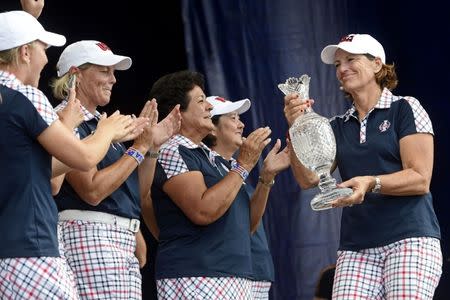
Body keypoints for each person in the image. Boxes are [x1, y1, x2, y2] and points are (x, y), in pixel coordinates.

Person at [284, 33, 442, 299]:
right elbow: (308, 179)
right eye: (337, 64)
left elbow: (420, 178)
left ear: (377, 64)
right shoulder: (334, 126)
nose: (342, 69)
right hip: (356, 249)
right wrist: (296, 126)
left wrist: (370, 182)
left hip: (410, 240)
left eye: (350, 59)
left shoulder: (406, 108)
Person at [0, 11, 133, 299]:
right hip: (31, 246)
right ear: (24, 52)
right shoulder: (25, 97)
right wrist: (108, 132)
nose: (46, 59)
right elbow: (85, 159)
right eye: (42, 49)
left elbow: (45, 174)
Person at [52, 40, 181, 299]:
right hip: (90, 236)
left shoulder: (107, 124)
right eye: (104, 71)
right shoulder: (62, 120)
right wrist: (137, 148)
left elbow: (137, 192)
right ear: (76, 73)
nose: (113, 79)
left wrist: (149, 147)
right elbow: (93, 191)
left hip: (118, 238)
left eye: (113, 72)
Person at [146, 70, 272, 299]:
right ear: (178, 111)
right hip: (196, 276)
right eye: (201, 101)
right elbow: (202, 211)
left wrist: (266, 176)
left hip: (233, 275)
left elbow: (247, 225)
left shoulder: (209, 158)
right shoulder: (173, 150)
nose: (209, 107)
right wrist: (243, 166)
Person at [203, 95, 290, 299]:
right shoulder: (205, 166)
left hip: (253, 272)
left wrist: (266, 177)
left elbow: (249, 224)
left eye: (238, 118)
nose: (241, 124)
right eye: (232, 118)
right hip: (225, 275)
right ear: (212, 127)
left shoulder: (233, 168)